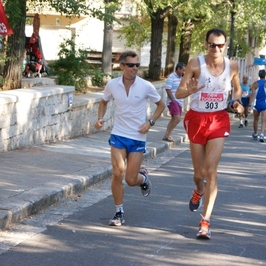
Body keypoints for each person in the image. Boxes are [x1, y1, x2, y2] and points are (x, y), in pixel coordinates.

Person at [175, 28, 244, 239]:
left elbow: (237, 88)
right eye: (212, 44)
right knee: (199, 174)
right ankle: (198, 190)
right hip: (196, 118)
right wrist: (191, 91)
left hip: (218, 119)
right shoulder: (196, 64)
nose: (216, 48)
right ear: (206, 44)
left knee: (211, 170)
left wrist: (237, 101)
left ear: (225, 46)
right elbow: (179, 92)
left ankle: (205, 221)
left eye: (220, 45)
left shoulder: (232, 66)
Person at [94, 50, 166, 225]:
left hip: (137, 136)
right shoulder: (112, 84)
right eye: (131, 65)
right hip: (118, 134)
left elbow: (161, 105)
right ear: (122, 66)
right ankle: (119, 212)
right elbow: (103, 101)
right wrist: (100, 118)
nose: (135, 68)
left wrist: (150, 122)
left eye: (137, 65)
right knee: (118, 172)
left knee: (130, 179)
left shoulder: (145, 86)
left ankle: (143, 179)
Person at [249, 69, 266, 142]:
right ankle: (262, 134)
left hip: (256, 103)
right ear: (265, 75)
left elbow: (252, 95)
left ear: (259, 75)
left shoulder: (254, 84)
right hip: (265, 104)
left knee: (256, 119)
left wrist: (249, 104)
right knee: (264, 120)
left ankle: (255, 133)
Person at [163, 62, 186, 142]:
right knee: (177, 118)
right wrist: (173, 100)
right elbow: (168, 89)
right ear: (178, 69)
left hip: (180, 101)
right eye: (183, 70)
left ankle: (166, 135)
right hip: (173, 100)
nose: (184, 72)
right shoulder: (171, 77)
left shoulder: (182, 78)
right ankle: (168, 134)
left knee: (174, 119)